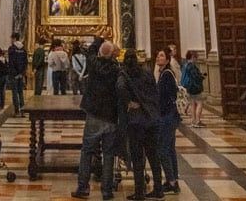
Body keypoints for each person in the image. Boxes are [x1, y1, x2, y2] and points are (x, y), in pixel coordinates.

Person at [71, 40, 119, 201]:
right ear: (113, 55)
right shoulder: (117, 69)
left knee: (87, 152)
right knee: (109, 154)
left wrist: (99, 39)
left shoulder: (94, 64)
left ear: (99, 53)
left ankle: (83, 187)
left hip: (94, 115)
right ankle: (106, 191)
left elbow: (90, 51)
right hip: (111, 116)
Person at [116, 49, 163, 201]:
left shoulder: (124, 74)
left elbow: (120, 88)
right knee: (153, 156)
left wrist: (128, 102)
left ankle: (139, 192)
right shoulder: (147, 72)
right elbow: (154, 91)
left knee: (137, 158)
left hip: (136, 121)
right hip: (150, 118)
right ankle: (158, 189)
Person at [155, 48, 180, 194]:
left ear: (167, 59)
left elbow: (163, 97)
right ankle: (173, 180)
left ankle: (171, 181)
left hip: (167, 117)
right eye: (158, 55)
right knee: (170, 149)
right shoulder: (164, 74)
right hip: (170, 115)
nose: (159, 57)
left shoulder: (166, 75)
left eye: (162, 55)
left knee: (163, 149)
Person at [180, 51, 204, 127]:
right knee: (199, 103)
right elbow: (196, 76)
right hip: (195, 87)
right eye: (195, 57)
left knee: (192, 104)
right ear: (192, 57)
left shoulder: (185, 65)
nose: (196, 59)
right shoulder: (192, 66)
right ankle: (197, 121)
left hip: (189, 87)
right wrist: (202, 77)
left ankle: (193, 121)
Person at [8, 33, 28, 115]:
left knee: (14, 92)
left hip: (14, 74)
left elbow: (11, 62)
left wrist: (14, 73)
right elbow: (25, 62)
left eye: (11, 38)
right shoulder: (23, 49)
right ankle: (22, 109)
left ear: (14, 38)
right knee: (20, 92)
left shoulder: (12, 48)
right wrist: (22, 72)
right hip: (21, 74)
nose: (11, 40)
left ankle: (16, 110)